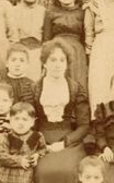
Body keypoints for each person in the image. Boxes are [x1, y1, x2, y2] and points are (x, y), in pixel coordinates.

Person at [34, 40, 90, 183]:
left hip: (70, 140)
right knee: (43, 170)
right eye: (52, 60)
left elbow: (84, 125)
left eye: (62, 60)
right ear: (44, 63)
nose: (57, 64)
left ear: (67, 63)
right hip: (41, 140)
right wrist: (38, 143)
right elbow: (29, 122)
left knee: (70, 170)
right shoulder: (34, 88)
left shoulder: (75, 88)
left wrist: (65, 142)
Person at [43, 0, 88, 87]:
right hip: (57, 53)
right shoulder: (50, 12)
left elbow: (86, 37)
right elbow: (47, 40)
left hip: (77, 53)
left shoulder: (83, 12)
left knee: (77, 84)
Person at [0, 102, 47, 183]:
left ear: (32, 122)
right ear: (10, 120)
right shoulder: (6, 137)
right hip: (8, 173)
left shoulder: (37, 136)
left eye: (25, 119)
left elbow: (43, 149)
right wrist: (19, 160)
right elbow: (1, 155)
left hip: (27, 173)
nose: (20, 123)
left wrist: (37, 155)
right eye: (16, 119)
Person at [13, 0, 46, 82]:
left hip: (38, 56)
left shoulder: (44, 12)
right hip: (18, 56)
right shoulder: (13, 11)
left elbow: (47, 38)